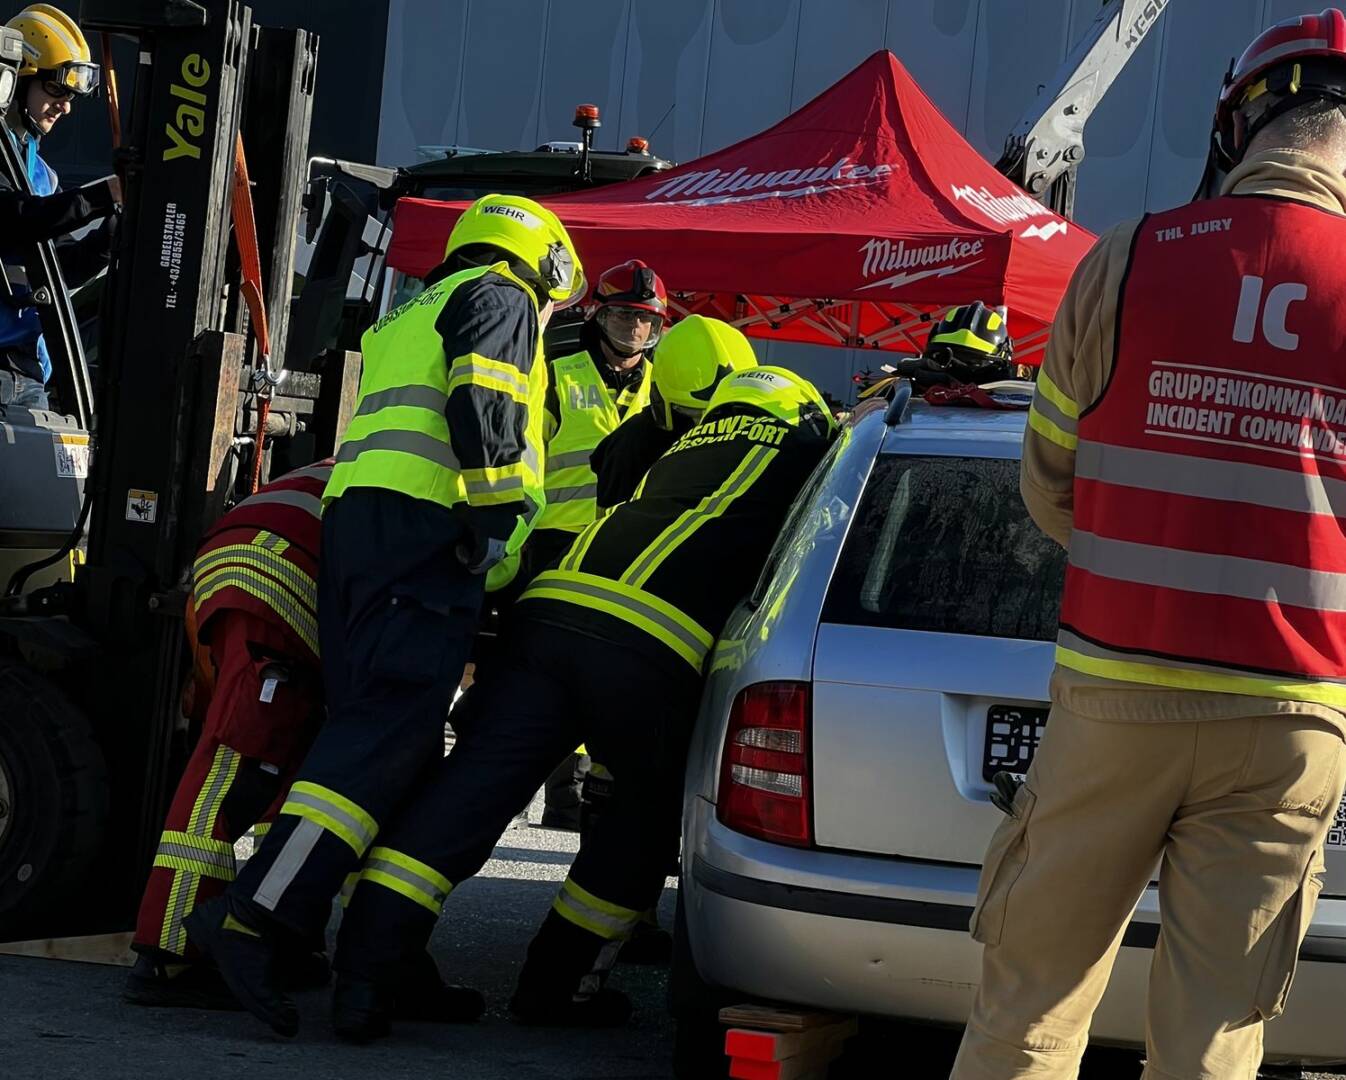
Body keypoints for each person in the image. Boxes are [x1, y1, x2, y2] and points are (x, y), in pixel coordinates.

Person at [950, 11, 1346, 1079]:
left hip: (1111, 694)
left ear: (1241, 122)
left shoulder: (1126, 260)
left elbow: (1048, 486)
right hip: (1290, 715)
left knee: (1027, 1008)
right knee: (1215, 1031)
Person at [323, 360, 837, 1043]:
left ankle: (365, 975)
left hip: (551, 616)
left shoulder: (681, 441)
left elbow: (608, 465)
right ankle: (554, 986)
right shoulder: (805, 447)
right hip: (653, 645)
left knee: (468, 795)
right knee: (643, 818)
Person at [184, 194, 585, 1039]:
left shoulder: (418, 304)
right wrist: (495, 526)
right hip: (425, 537)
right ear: (545, 261)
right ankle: (255, 915)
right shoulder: (503, 297)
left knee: (373, 736)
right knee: (383, 739)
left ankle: (359, 950)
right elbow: (490, 408)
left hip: (363, 530)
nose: (553, 308)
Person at [527, 259, 667, 831]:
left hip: (622, 543)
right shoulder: (559, 369)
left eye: (645, 322)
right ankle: (561, 793)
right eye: (624, 318)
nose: (634, 332)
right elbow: (527, 452)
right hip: (553, 539)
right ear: (600, 316)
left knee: (606, 673)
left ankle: (586, 792)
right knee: (554, 671)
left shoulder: (661, 383)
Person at [0, 4, 120, 411]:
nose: (65, 106)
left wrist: (112, 234)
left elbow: (61, 266)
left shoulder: (42, 175)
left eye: (70, 96)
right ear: (18, 81)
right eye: (55, 89)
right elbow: (17, 218)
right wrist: (104, 194)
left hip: (28, 372)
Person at [590, 312, 759, 511]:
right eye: (697, 415)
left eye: (727, 413)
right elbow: (612, 531)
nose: (710, 427)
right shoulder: (629, 448)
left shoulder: (755, 437)